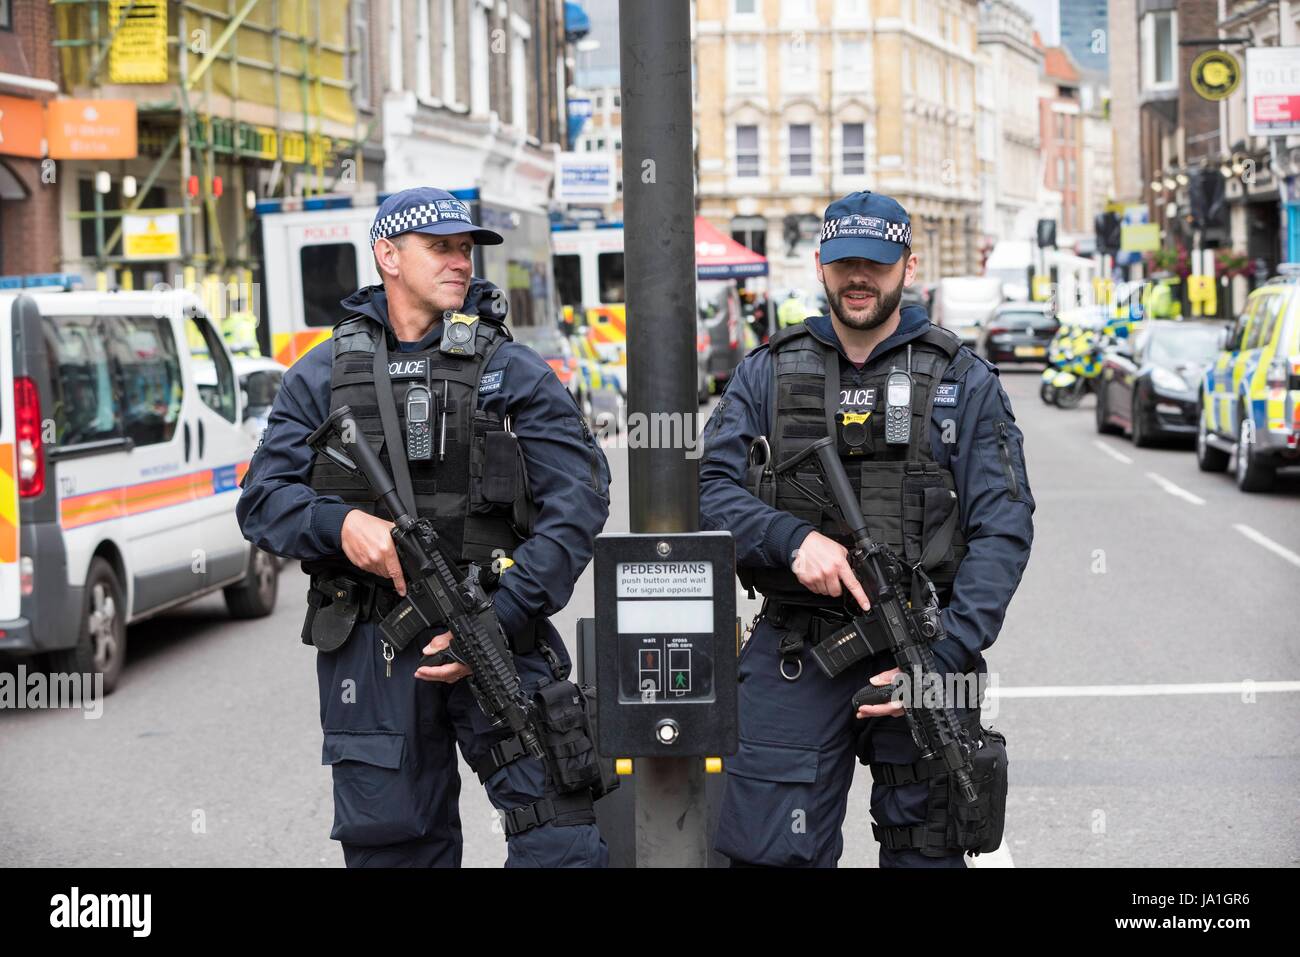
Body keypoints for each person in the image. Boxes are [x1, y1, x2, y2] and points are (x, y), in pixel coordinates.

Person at [237, 187, 613, 867]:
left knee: (563, 842)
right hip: (376, 645)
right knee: (395, 846)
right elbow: (261, 500)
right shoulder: (321, 374)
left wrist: (505, 611)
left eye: (465, 249)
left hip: (497, 623)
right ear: (388, 255)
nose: (460, 261)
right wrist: (342, 523)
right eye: (440, 247)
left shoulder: (510, 369)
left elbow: (581, 498)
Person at [699, 190, 1034, 867]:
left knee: (926, 848)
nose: (860, 278)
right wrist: (789, 541)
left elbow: (1004, 525)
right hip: (798, 643)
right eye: (846, 262)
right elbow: (709, 492)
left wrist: (943, 657)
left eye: (876, 264)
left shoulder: (962, 380)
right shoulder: (766, 373)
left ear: (908, 266)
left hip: (923, 645)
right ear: (820, 264)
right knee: (768, 850)